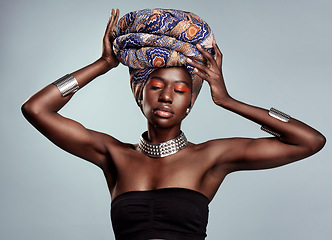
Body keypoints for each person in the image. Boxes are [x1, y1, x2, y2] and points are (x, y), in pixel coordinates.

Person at [21, 8, 326, 240]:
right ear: (140, 96)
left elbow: (309, 141)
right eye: (155, 87)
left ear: (190, 102)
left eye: (180, 91)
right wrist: (102, 64)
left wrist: (227, 100)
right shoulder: (112, 155)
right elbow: (36, 109)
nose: (167, 96)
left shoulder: (211, 158)